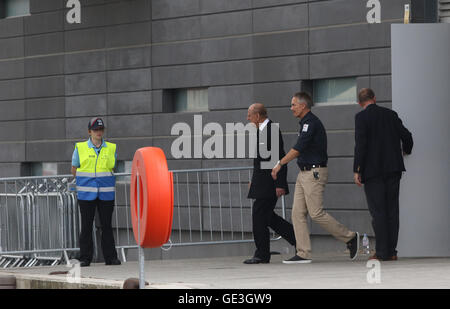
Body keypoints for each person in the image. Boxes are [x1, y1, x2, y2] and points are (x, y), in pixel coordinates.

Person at [272, 92, 359, 264]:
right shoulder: (305, 123)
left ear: (303, 106)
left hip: (314, 173)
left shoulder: (311, 123)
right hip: (304, 173)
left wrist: (280, 163)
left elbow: (298, 149)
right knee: (297, 214)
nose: (291, 108)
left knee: (316, 213)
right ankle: (303, 253)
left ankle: (350, 237)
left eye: (293, 105)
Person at [353, 88, 413, 261]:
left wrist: (357, 169)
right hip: (393, 169)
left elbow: (361, 145)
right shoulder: (391, 115)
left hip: (372, 172)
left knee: (378, 211)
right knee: (392, 210)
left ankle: (381, 252)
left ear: (360, 103)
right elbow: (407, 136)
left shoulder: (361, 118)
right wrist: (406, 151)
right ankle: (392, 251)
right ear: (374, 98)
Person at [244, 103, 296, 264]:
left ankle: (262, 254)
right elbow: (260, 161)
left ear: (258, 116)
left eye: (250, 115)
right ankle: (298, 239)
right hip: (262, 182)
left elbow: (279, 158)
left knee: (259, 215)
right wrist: (254, 181)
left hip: (270, 183)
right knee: (268, 217)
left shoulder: (271, 130)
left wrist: (280, 184)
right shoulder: (262, 131)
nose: (248, 118)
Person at [71, 117, 121, 267]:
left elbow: (112, 168)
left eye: (101, 129)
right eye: (95, 130)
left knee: (106, 226)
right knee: (86, 226)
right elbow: (74, 169)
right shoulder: (80, 148)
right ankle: (85, 258)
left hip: (106, 193)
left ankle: (111, 258)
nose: (99, 132)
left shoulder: (111, 148)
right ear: (89, 132)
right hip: (86, 194)